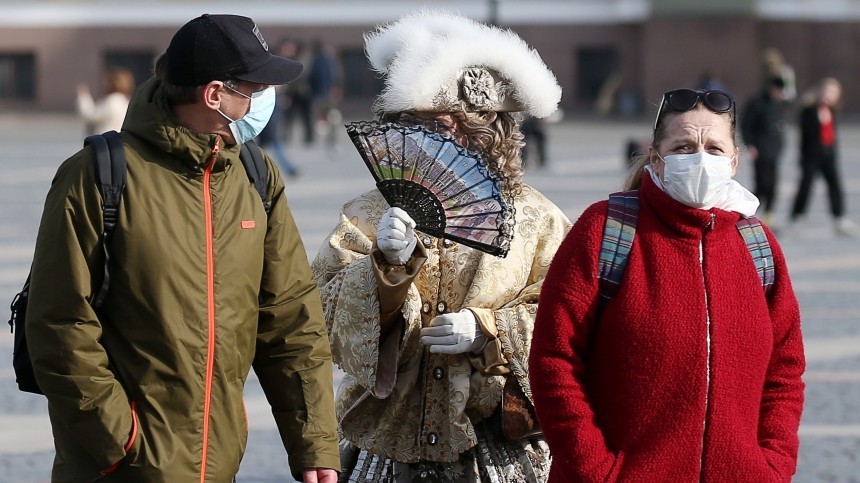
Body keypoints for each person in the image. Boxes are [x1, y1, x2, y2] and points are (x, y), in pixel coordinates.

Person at [25, 14, 339, 482]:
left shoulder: (256, 175)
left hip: (218, 464)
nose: (267, 101)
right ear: (215, 94)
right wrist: (121, 441)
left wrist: (314, 444)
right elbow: (59, 321)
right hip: (117, 467)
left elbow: (290, 317)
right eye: (255, 90)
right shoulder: (97, 174)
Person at [310, 10, 570, 482]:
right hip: (390, 442)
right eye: (416, 126)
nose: (433, 141)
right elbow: (320, 315)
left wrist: (488, 330)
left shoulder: (538, 218)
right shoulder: (368, 214)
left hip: (495, 442)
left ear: (484, 129)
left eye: (450, 127)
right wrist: (384, 270)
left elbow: (570, 318)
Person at [530, 88, 805, 482]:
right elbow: (555, 359)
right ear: (656, 157)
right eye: (683, 146)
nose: (700, 158)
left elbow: (785, 369)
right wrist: (598, 471)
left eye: (714, 147)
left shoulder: (757, 245)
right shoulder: (605, 229)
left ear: (735, 160)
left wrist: (772, 467)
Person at [788, 77, 858, 236]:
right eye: (828, 91)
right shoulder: (809, 110)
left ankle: (839, 217)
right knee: (805, 186)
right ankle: (796, 217)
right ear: (820, 91)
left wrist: (834, 153)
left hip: (828, 155)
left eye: (834, 93)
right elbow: (805, 136)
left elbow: (832, 135)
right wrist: (803, 157)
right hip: (811, 155)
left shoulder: (832, 110)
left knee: (835, 185)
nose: (830, 95)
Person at [741, 76, 788, 225]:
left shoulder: (778, 104)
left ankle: (768, 216)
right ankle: (749, 215)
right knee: (762, 184)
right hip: (760, 150)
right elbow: (746, 125)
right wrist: (750, 144)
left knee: (773, 185)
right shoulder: (757, 103)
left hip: (774, 150)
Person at [76, 67, 135, 135]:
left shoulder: (112, 101)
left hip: (105, 142)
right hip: (119, 142)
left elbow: (90, 116)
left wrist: (83, 97)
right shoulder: (126, 101)